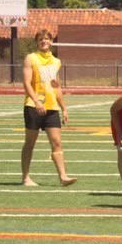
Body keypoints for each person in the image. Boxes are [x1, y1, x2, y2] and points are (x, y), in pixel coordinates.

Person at [21, 29, 77, 187]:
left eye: (46, 39)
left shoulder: (56, 61)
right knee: (30, 143)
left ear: (51, 41)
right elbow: (26, 83)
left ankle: (63, 176)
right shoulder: (31, 58)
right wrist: (37, 101)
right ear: (37, 42)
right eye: (40, 39)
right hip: (33, 107)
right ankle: (26, 177)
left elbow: (56, 86)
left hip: (52, 108)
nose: (43, 41)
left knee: (57, 142)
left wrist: (64, 107)